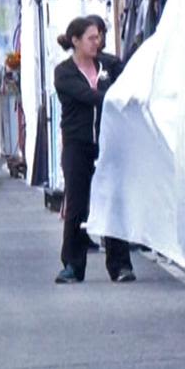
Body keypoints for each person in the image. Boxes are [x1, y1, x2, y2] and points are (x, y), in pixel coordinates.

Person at [53, 17, 135, 284]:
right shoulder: (64, 72)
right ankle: (73, 265)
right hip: (77, 144)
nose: (96, 42)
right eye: (90, 37)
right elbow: (89, 96)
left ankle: (121, 264)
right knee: (77, 203)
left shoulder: (109, 65)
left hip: (108, 141)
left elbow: (130, 84)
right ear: (75, 41)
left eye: (98, 37)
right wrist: (112, 95)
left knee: (113, 199)